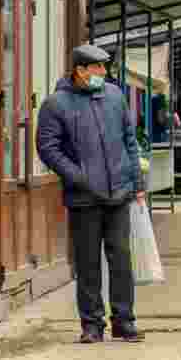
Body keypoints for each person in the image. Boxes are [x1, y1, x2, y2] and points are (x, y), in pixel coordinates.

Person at [37, 44, 145, 344]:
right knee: (88, 264)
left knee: (121, 261)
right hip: (84, 197)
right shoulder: (56, 104)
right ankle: (92, 324)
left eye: (104, 67)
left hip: (119, 192)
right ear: (80, 70)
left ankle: (124, 321)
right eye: (97, 68)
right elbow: (48, 148)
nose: (103, 73)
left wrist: (136, 183)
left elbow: (129, 140)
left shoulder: (115, 96)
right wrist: (78, 176)